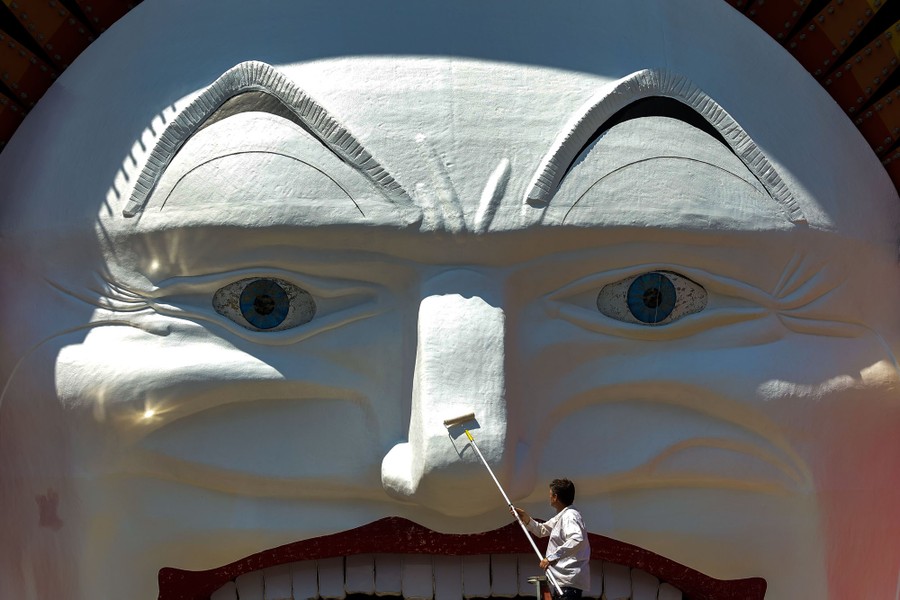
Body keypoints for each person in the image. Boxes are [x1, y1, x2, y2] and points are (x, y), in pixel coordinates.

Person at [513, 479, 591, 600]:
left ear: (555, 497)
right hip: (563, 582)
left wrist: (550, 558)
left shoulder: (570, 516)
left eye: (550, 495)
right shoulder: (563, 515)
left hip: (568, 582)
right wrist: (526, 518)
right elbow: (541, 530)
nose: (549, 497)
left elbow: (576, 538)